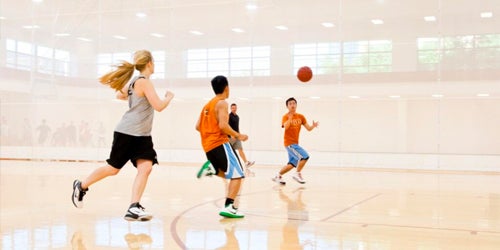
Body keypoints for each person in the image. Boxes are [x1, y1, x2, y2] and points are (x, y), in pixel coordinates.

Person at [71, 50, 175, 221]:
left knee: (146, 168)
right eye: (154, 62)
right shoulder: (144, 82)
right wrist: (168, 97)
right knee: (113, 169)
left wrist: (135, 99)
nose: (154, 65)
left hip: (142, 135)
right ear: (149, 63)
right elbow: (159, 106)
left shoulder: (136, 82)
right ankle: (81, 185)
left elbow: (120, 94)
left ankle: (134, 207)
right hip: (128, 133)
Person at [195, 75, 248, 218]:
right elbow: (223, 125)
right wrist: (238, 135)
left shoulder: (207, 105)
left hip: (208, 147)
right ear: (226, 87)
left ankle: (212, 169)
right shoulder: (222, 103)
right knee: (239, 174)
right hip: (220, 144)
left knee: (227, 173)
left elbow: (197, 127)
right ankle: (229, 206)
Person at [272, 97, 319, 185]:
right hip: (289, 143)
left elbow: (308, 128)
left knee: (292, 164)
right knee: (304, 156)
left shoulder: (301, 117)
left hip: (295, 143)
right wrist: (290, 118)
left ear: (296, 105)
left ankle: (278, 176)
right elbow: (285, 127)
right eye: (290, 104)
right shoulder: (285, 116)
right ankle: (297, 174)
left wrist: (313, 126)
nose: (292, 105)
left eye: (294, 103)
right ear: (287, 106)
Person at [228, 103, 255, 169]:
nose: (234, 109)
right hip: (231, 137)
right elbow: (228, 126)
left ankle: (246, 163)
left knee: (240, 149)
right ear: (230, 108)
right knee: (229, 152)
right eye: (232, 108)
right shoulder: (229, 116)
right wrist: (231, 135)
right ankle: (226, 165)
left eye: (235, 108)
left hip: (237, 136)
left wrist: (240, 135)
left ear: (236, 108)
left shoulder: (237, 117)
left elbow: (237, 127)